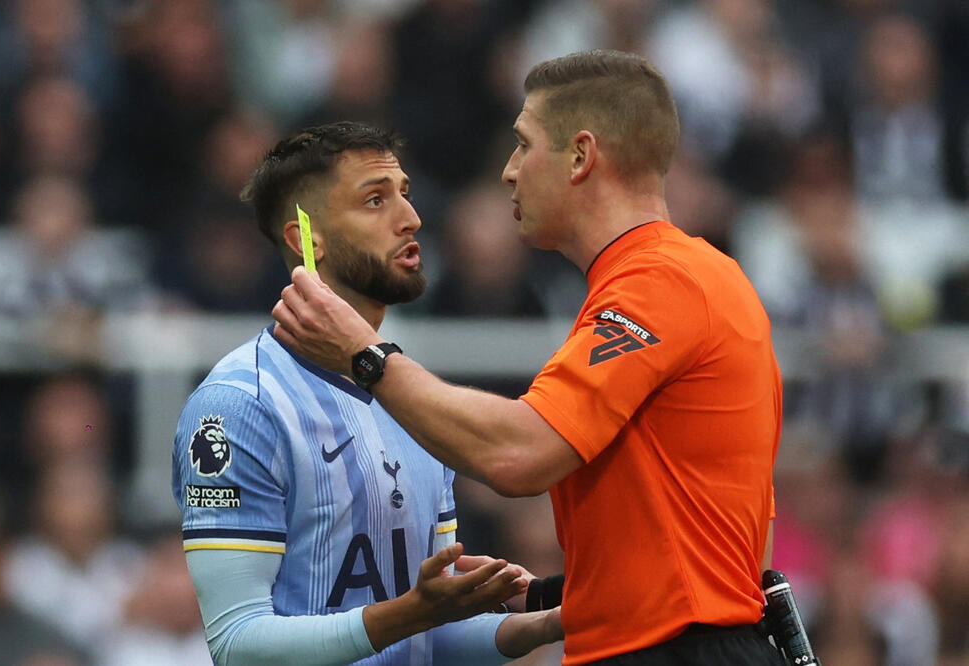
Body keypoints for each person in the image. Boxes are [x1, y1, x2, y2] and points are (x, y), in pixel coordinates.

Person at [271, 50, 785, 665]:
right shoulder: (685, 279)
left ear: (580, 156)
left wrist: (365, 355)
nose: (509, 171)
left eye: (523, 144)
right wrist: (544, 596)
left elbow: (520, 455)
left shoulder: (661, 282)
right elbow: (712, 542)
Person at [171, 122, 562, 665]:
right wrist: (411, 613)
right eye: (376, 200)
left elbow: (424, 639)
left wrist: (543, 624)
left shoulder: (414, 400)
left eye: (405, 193)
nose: (411, 218)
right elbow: (238, 644)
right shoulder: (240, 406)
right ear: (306, 239)